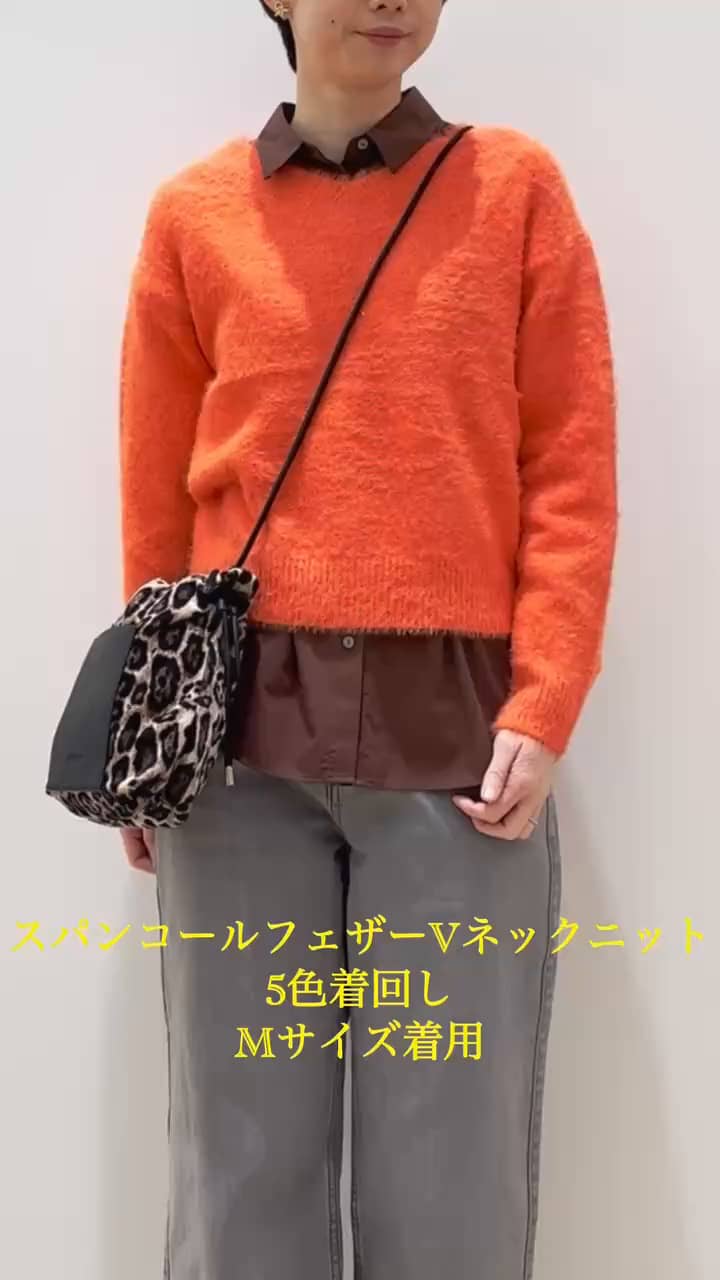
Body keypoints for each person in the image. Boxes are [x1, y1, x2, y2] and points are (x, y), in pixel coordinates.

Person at [118, 1, 618, 1276]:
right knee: (239, 1178)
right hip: (236, 752)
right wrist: (144, 731)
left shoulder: (514, 192)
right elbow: (157, 496)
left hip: (458, 752)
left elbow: (570, 460)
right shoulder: (194, 217)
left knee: (452, 1182)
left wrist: (547, 692)